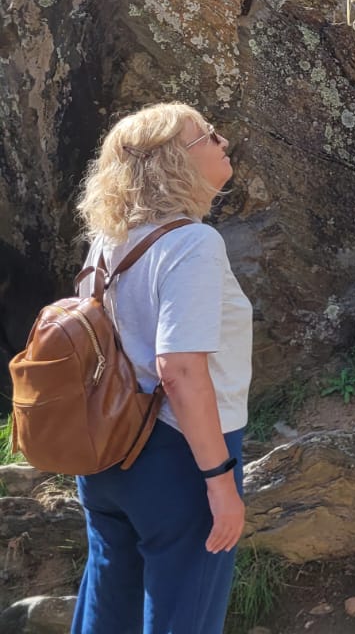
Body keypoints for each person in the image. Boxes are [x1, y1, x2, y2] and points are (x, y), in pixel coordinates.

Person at [69, 101, 253, 634]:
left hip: (103, 451)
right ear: (176, 159)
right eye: (208, 135)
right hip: (179, 455)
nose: (223, 141)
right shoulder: (192, 243)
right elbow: (179, 370)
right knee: (184, 617)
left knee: (109, 610)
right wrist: (219, 480)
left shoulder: (106, 245)